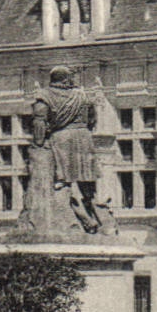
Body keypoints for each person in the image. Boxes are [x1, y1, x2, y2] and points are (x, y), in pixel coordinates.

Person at [32, 65, 103, 233]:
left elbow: (39, 122)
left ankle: (82, 219)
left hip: (62, 139)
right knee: (88, 184)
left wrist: (39, 142)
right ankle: (100, 220)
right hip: (84, 138)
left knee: (62, 183)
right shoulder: (82, 95)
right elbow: (92, 119)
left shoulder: (44, 95)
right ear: (66, 79)